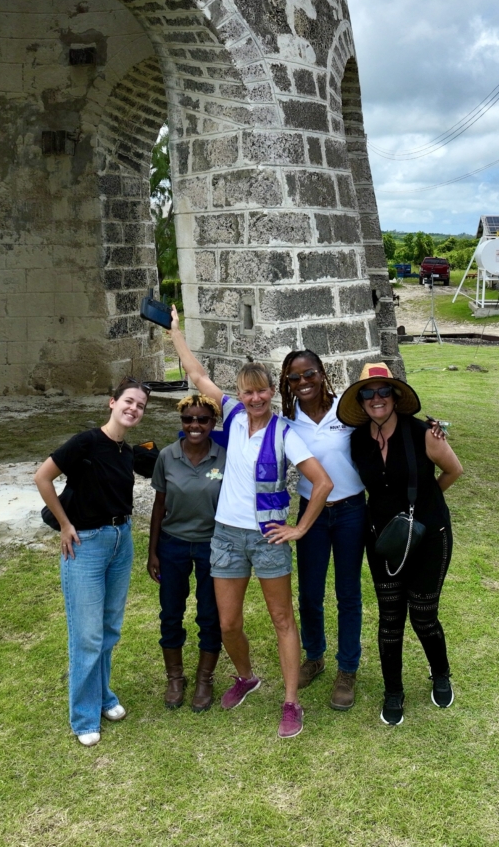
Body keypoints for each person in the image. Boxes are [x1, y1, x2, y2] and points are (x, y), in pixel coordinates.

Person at [168, 307, 333, 738]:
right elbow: (197, 374)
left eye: (261, 392)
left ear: (271, 393)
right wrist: (176, 332)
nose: (255, 399)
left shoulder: (285, 433)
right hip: (226, 536)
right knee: (228, 623)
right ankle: (246, 677)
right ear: (239, 395)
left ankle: (291, 702)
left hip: (267, 537)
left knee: (282, 620)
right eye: (247, 392)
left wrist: (299, 528)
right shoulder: (234, 417)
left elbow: (322, 483)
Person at [337, 362, 463, 727]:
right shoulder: (356, 440)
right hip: (383, 539)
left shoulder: (425, 433)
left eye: (383, 391)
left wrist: (423, 506)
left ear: (394, 397)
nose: (376, 399)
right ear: (361, 400)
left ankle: (440, 673)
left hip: (430, 536)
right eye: (368, 393)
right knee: (390, 619)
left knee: (423, 615)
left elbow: (454, 470)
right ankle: (393, 691)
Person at [34, 377, 157, 747]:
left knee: (108, 628)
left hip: (121, 541)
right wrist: (65, 524)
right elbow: (43, 477)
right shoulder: (86, 442)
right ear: (112, 402)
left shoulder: (126, 452)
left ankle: (103, 696)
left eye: (140, 406)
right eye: (128, 401)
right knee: (87, 634)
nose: (133, 409)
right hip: (85, 544)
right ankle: (84, 716)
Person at [278, 350, 368, 711]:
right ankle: (314, 657)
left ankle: (347, 669)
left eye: (309, 374)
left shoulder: (348, 409)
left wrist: (430, 428)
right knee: (310, 593)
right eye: (294, 378)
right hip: (312, 514)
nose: (303, 382)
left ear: (322, 373)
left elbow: (386, 423)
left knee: (348, 593)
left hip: (351, 511)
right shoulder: (288, 420)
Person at [147, 393, 226, 712]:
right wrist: (153, 552)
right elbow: (159, 506)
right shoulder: (167, 456)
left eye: (202, 419)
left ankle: (205, 679)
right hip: (173, 544)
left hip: (212, 545)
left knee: (210, 613)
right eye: (188, 419)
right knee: (171, 612)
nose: (195, 425)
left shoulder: (223, 457)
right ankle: (175, 678)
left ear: (213, 422)